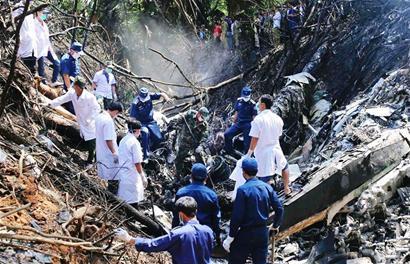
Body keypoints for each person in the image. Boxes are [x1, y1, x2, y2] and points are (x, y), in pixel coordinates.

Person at [114, 196, 214, 264]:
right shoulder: (208, 231)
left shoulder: (179, 234)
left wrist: (129, 239)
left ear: (181, 214)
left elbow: (154, 244)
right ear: (195, 211)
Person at [223, 158, 284, 264]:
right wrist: (275, 225)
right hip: (262, 233)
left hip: (246, 233)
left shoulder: (242, 190)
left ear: (244, 172)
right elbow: (279, 208)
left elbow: (237, 216)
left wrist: (230, 237)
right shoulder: (267, 187)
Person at [48, 76, 100, 166]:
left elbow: (97, 109)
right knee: (84, 138)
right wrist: (51, 104)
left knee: (92, 141)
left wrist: (89, 119)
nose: (73, 87)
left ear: (79, 87)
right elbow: (62, 99)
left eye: (75, 86)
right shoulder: (72, 93)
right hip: (81, 120)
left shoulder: (89, 97)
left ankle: (91, 161)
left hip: (90, 122)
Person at [247, 94, 291, 194]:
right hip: (276, 147)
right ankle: (286, 188)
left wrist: (249, 153)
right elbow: (279, 134)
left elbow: (254, 138)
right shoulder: (278, 119)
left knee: (264, 176)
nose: (258, 106)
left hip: (263, 152)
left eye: (259, 104)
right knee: (284, 167)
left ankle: (268, 199)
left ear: (262, 105)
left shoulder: (258, 120)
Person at [172, 163, 221, 242]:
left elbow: (176, 216)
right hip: (205, 235)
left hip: (185, 235)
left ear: (191, 176)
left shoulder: (181, 193)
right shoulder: (212, 195)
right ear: (206, 178)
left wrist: (174, 233)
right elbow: (216, 218)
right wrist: (217, 236)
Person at [129, 87, 170, 160]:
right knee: (145, 133)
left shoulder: (150, 96)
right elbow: (132, 118)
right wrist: (132, 129)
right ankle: (145, 155)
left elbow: (161, 94)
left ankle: (156, 152)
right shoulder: (135, 102)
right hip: (141, 123)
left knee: (159, 138)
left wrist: (167, 98)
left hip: (150, 121)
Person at [117, 119, 148, 209]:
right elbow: (137, 162)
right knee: (133, 202)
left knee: (125, 200)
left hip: (123, 173)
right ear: (137, 130)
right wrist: (142, 176)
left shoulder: (124, 140)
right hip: (131, 175)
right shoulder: (135, 142)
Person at [174, 107, 209, 177]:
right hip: (184, 141)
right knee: (179, 159)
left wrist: (201, 146)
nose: (202, 120)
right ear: (198, 114)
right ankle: (178, 176)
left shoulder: (204, 125)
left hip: (195, 144)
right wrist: (178, 126)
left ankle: (200, 176)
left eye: (204, 118)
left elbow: (205, 137)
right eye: (202, 117)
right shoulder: (190, 114)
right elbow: (179, 121)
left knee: (200, 160)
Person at [224, 86, 257, 157]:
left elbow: (254, 118)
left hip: (248, 125)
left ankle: (249, 159)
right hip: (238, 123)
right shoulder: (239, 101)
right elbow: (236, 112)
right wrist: (233, 122)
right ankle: (230, 152)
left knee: (247, 144)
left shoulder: (252, 104)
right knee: (227, 134)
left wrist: (254, 128)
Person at [95, 102, 123, 181]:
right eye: (117, 113)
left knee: (107, 174)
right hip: (108, 153)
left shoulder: (99, 117)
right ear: (115, 111)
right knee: (114, 175)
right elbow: (108, 139)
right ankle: (112, 192)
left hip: (100, 150)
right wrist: (114, 152)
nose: (116, 116)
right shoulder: (108, 121)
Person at [34, 8, 62, 87]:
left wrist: (50, 49)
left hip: (47, 48)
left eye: (46, 14)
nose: (45, 15)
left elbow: (47, 38)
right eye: (43, 13)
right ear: (38, 13)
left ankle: (54, 81)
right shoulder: (33, 23)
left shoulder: (45, 25)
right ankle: (42, 83)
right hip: (38, 49)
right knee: (41, 67)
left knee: (57, 63)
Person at [12, 1, 38, 74]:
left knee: (31, 73)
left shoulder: (30, 10)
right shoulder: (17, 8)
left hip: (32, 48)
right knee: (24, 73)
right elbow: (14, 23)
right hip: (24, 49)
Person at [60, 41, 84, 114]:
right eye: (77, 53)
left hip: (75, 83)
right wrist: (69, 88)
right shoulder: (66, 60)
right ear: (72, 50)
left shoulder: (75, 58)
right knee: (72, 106)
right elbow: (65, 75)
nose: (78, 55)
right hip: (69, 85)